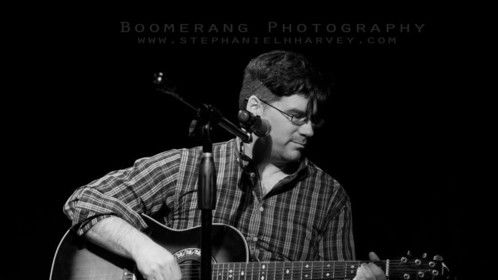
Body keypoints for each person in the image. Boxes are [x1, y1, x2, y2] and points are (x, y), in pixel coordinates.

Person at [63, 50, 385, 280]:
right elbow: (86, 200)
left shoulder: (329, 197)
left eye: (314, 119)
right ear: (255, 108)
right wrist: (145, 251)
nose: (309, 130)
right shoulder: (189, 165)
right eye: (297, 117)